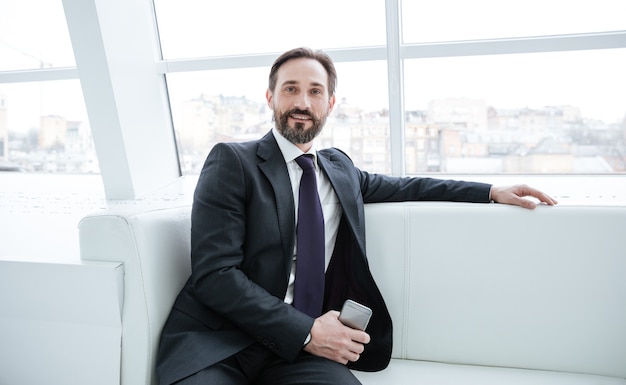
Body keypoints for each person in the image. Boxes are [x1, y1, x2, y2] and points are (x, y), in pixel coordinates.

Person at [156, 47, 557, 385]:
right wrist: (309, 330)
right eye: (290, 89)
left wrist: (489, 191)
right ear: (270, 97)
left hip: (296, 352)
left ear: (330, 103)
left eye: (315, 92)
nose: (301, 103)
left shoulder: (339, 170)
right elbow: (215, 277)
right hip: (222, 343)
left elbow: (408, 186)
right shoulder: (233, 161)